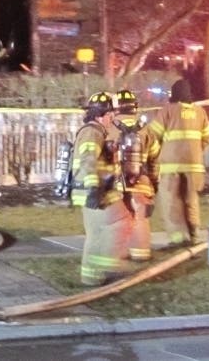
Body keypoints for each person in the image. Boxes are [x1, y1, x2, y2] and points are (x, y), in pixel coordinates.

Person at [144, 78, 209, 248]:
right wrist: (196, 152)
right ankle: (194, 234)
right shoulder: (200, 112)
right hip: (194, 167)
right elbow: (208, 137)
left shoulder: (168, 111)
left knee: (171, 202)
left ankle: (178, 239)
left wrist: (154, 155)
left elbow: (152, 135)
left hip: (171, 166)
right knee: (191, 200)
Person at [70, 91, 128, 286]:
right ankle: (100, 271)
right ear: (103, 114)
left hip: (94, 189)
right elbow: (88, 160)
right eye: (111, 114)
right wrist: (94, 188)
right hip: (93, 190)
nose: (113, 119)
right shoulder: (92, 132)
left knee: (98, 233)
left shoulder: (96, 132)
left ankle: (94, 275)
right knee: (120, 222)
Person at [112, 89, 160, 262]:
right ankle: (141, 254)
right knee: (140, 217)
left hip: (115, 183)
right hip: (142, 181)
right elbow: (154, 158)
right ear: (134, 106)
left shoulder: (108, 126)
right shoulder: (145, 129)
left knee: (118, 219)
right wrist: (154, 182)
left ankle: (120, 254)